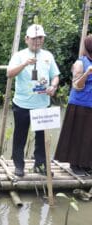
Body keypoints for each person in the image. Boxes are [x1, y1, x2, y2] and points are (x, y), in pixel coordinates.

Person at [7, 24, 60, 177]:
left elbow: (55, 75)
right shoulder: (19, 55)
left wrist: (53, 86)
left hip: (42, 104)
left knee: (42, 138)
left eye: (40, 38)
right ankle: (18, 166)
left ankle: (41, 165)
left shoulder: (48, 56)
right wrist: (24, 64)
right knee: (20, 136)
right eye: (34, 38)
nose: (37, 41)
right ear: (26, 39)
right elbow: (9, 73)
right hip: (22, 104)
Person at [54, 35, 92, 176]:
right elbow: (76, 85)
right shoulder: (80, 63)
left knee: (89, 136)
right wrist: (87, 74)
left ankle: (86, 163)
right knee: (78, 135)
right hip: (79, 104)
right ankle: (75, 164)